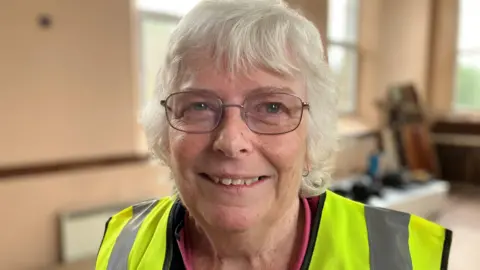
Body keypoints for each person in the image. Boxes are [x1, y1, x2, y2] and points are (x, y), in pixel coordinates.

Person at [96, 0, 452, 269]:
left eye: (271, 108)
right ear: (165, 133)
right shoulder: (123, 244)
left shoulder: (402, 255)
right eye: (199, 106)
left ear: (313, 136)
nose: (232, 142)